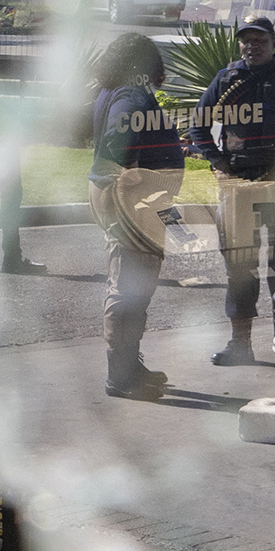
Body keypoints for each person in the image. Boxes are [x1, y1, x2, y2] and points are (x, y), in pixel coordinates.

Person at [188, 16, 275, 367]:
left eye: (259, 40)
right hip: (238, 189)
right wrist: (218, 162)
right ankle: (240, 344)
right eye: (246, 40)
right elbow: (198, 128)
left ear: (274, 43)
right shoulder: (226, 79)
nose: (252, 46)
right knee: (240, 270)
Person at [91, 34, 185, 398]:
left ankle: (131, 365)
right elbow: (121, 144)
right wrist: (132, 184)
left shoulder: (113, 90)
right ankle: (121, 377)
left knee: (133, 282)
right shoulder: (131, 96)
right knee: (129, 286)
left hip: (122, 195)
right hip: (132, 198)